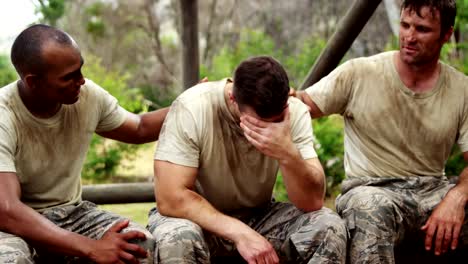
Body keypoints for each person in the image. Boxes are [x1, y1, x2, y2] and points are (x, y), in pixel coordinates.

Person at [293, 0, 468, 263]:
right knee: (371, 208)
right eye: (405, 25)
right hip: (371, 187)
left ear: (446, 34)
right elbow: (300, 106)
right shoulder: (360, 72)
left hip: (432, 188)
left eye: (422, 29)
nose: (409, 36)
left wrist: (457, 196)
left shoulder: (461, 89)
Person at [147, 56, 347, 264]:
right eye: (259, 122)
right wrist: (240, 232)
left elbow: (312, 201)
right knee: (178, 238)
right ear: (233, 98)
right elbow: (170, 198)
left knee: (328, 226)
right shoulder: (193, 106)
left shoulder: (293, 112)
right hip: (195, 219)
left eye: (276, 120)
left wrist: (287, 152)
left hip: (259, 215)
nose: (269, 128)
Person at [0, 24, 169, 263]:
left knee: (138, 246)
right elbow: (7, 210)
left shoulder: (87, 95)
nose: (81, 80)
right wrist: (91, 247)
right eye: (69, 77)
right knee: (9, 258)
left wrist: (189, 103)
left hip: (71, 213)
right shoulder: (4, 115)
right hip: (14, 224)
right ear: (33, 81)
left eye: (80, 69)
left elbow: (139, 127)